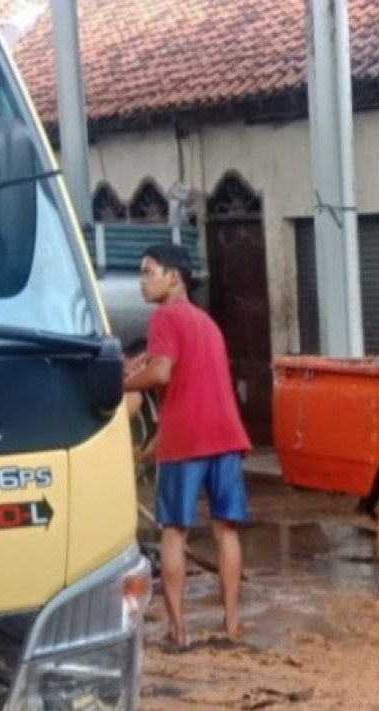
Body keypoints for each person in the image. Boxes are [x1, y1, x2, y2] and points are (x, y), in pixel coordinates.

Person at [124, 244, 251, 646]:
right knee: (226, 530)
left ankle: (178, 632)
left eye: (149, 272)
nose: (143, 282)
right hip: (227, 436)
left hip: (186, 440)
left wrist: (120, 383)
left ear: (174, 277)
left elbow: (161, 372)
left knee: (174, 532)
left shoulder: (164, 317)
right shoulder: (208, 324)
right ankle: (232, 625)